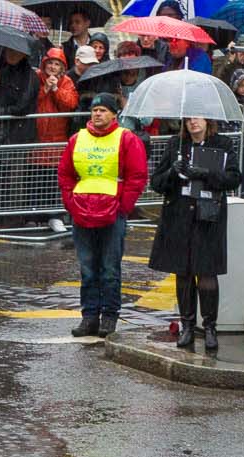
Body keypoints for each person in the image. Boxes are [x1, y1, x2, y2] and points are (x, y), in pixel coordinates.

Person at [148, 116, 241, 353]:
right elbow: (156, 183)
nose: (192, 123)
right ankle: (187, 325)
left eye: (197, 118)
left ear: (207, 120)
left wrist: (206, 173)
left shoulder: (222, 144)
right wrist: (172, 172)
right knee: (184, 272)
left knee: (207, 273)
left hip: (208, 217)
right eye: (188, 119)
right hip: (179, 216)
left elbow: (233, 178)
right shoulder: (175, 145)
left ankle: (210, 326)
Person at [59, 94, 148, 339]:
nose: (97, 114)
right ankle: (89, 317)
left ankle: (109, 317)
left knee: (109, 268)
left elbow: (137, 176)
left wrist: (123, 207)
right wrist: (72, 204)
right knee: (88, 268)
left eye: (103, 110)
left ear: (113, 114)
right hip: (82, 212)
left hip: (112, 214)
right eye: (95, 110)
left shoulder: (127, 139)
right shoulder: (77, 139)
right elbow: (65, 174)